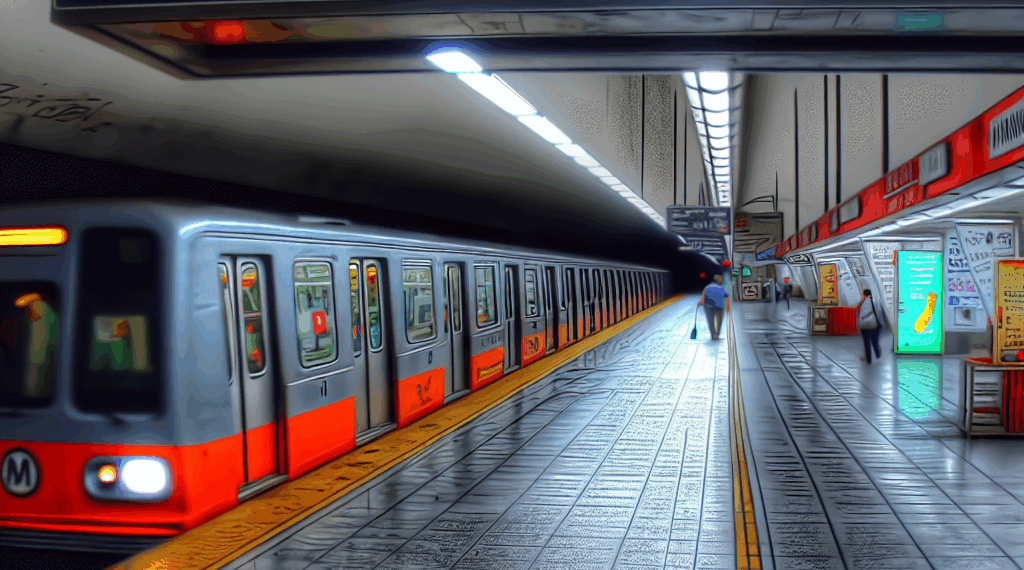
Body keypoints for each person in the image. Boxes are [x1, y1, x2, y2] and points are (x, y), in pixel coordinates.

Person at [855, 288, 883, 363]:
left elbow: (859, 313)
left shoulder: (862, 302)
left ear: (864, 294)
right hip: (874, 324)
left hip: (864, 325)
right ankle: (877, 353)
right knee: (875, 341)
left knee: (866, 342)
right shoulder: (875, 301)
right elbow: (879, 313)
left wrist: (859, 324)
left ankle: (868, 359)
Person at [698, 274, 730, 341]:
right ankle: (717, 334)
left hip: (709, 308)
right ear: (718, 281)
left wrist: (699, 303)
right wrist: (728, 306)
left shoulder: (707, 287)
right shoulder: (721, 288)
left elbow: (703, 299)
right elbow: (726, 295)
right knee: (719, 321)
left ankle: (713, 335)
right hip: (720, 307)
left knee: (711, 321)